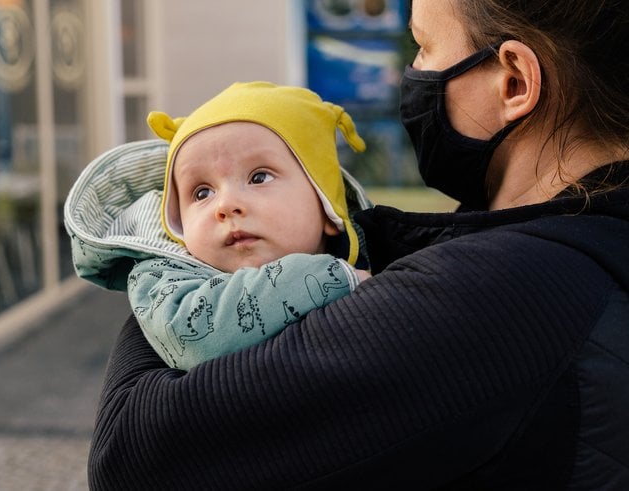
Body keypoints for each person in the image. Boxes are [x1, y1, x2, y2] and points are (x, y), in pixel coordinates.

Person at [85, 0, 629, 488]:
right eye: (201, 193)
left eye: (423, 46)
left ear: (513, 82)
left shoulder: (503, 291)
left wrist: (166, 260)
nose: (412, 71)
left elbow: (132, 456)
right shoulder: (547, 230)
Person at [129, 82, 370, 370]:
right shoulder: (162, 279)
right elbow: (191, 335)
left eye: (259, 178)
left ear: (326, 208)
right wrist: (335, 278)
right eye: (202, 193)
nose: (226, 205)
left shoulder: (388, 254)